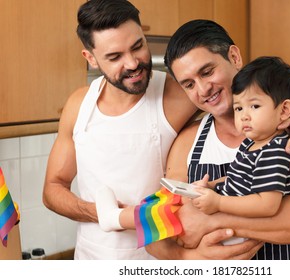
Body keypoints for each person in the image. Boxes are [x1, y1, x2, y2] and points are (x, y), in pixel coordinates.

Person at [143, 19, 290, 260]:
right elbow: (156, 232)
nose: (203, 89)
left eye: (207, 72)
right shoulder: (188, 141)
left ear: (235, 57)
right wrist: (186, 258)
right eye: (189, 84)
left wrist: (211, 219)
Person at [42, 0, 199, 259]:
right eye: (115, 57)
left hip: (158, 261)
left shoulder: (178, 93)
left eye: (138, 46)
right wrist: (101, 213)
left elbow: (260, 85)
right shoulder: (79, 105)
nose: (133, 63)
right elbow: (53, 188)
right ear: (91, 58)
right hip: (91, 260)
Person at [192, 56, 290, 222]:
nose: (244, 116)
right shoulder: (251, 143)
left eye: (255, 106)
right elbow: (237, 178)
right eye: (239, 108)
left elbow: (267, 205)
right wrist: (212, 185)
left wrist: (219, 202)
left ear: (284, 110)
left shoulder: (276, 150)